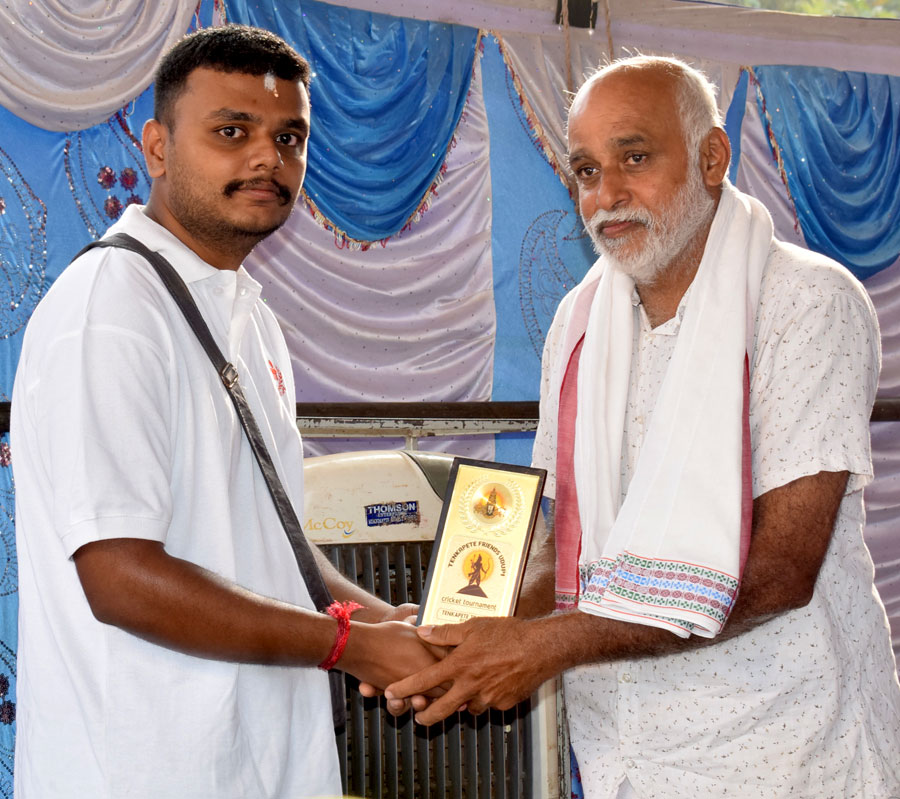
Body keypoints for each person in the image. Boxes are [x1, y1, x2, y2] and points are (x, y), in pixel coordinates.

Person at [382, 56, 900, 797]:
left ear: (712, 157)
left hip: (785, 746)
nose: (607, 196)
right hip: (624, 755)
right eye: (587, 171)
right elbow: (565, 538)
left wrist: (542, 646)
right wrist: (462, 633)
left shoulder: (804, 301)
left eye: (635, 157)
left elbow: (782, 568)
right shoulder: (579, 321)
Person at [11, 25, 439, 799]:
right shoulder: (113, 308)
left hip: (266, 764)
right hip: (146, 774)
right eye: (232, 132)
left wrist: (389, 628)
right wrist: (347, 645)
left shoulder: (251, 314)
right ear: (158, 147)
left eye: (289, 138)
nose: (267, 158)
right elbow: (120, 576)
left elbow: (276, 550)